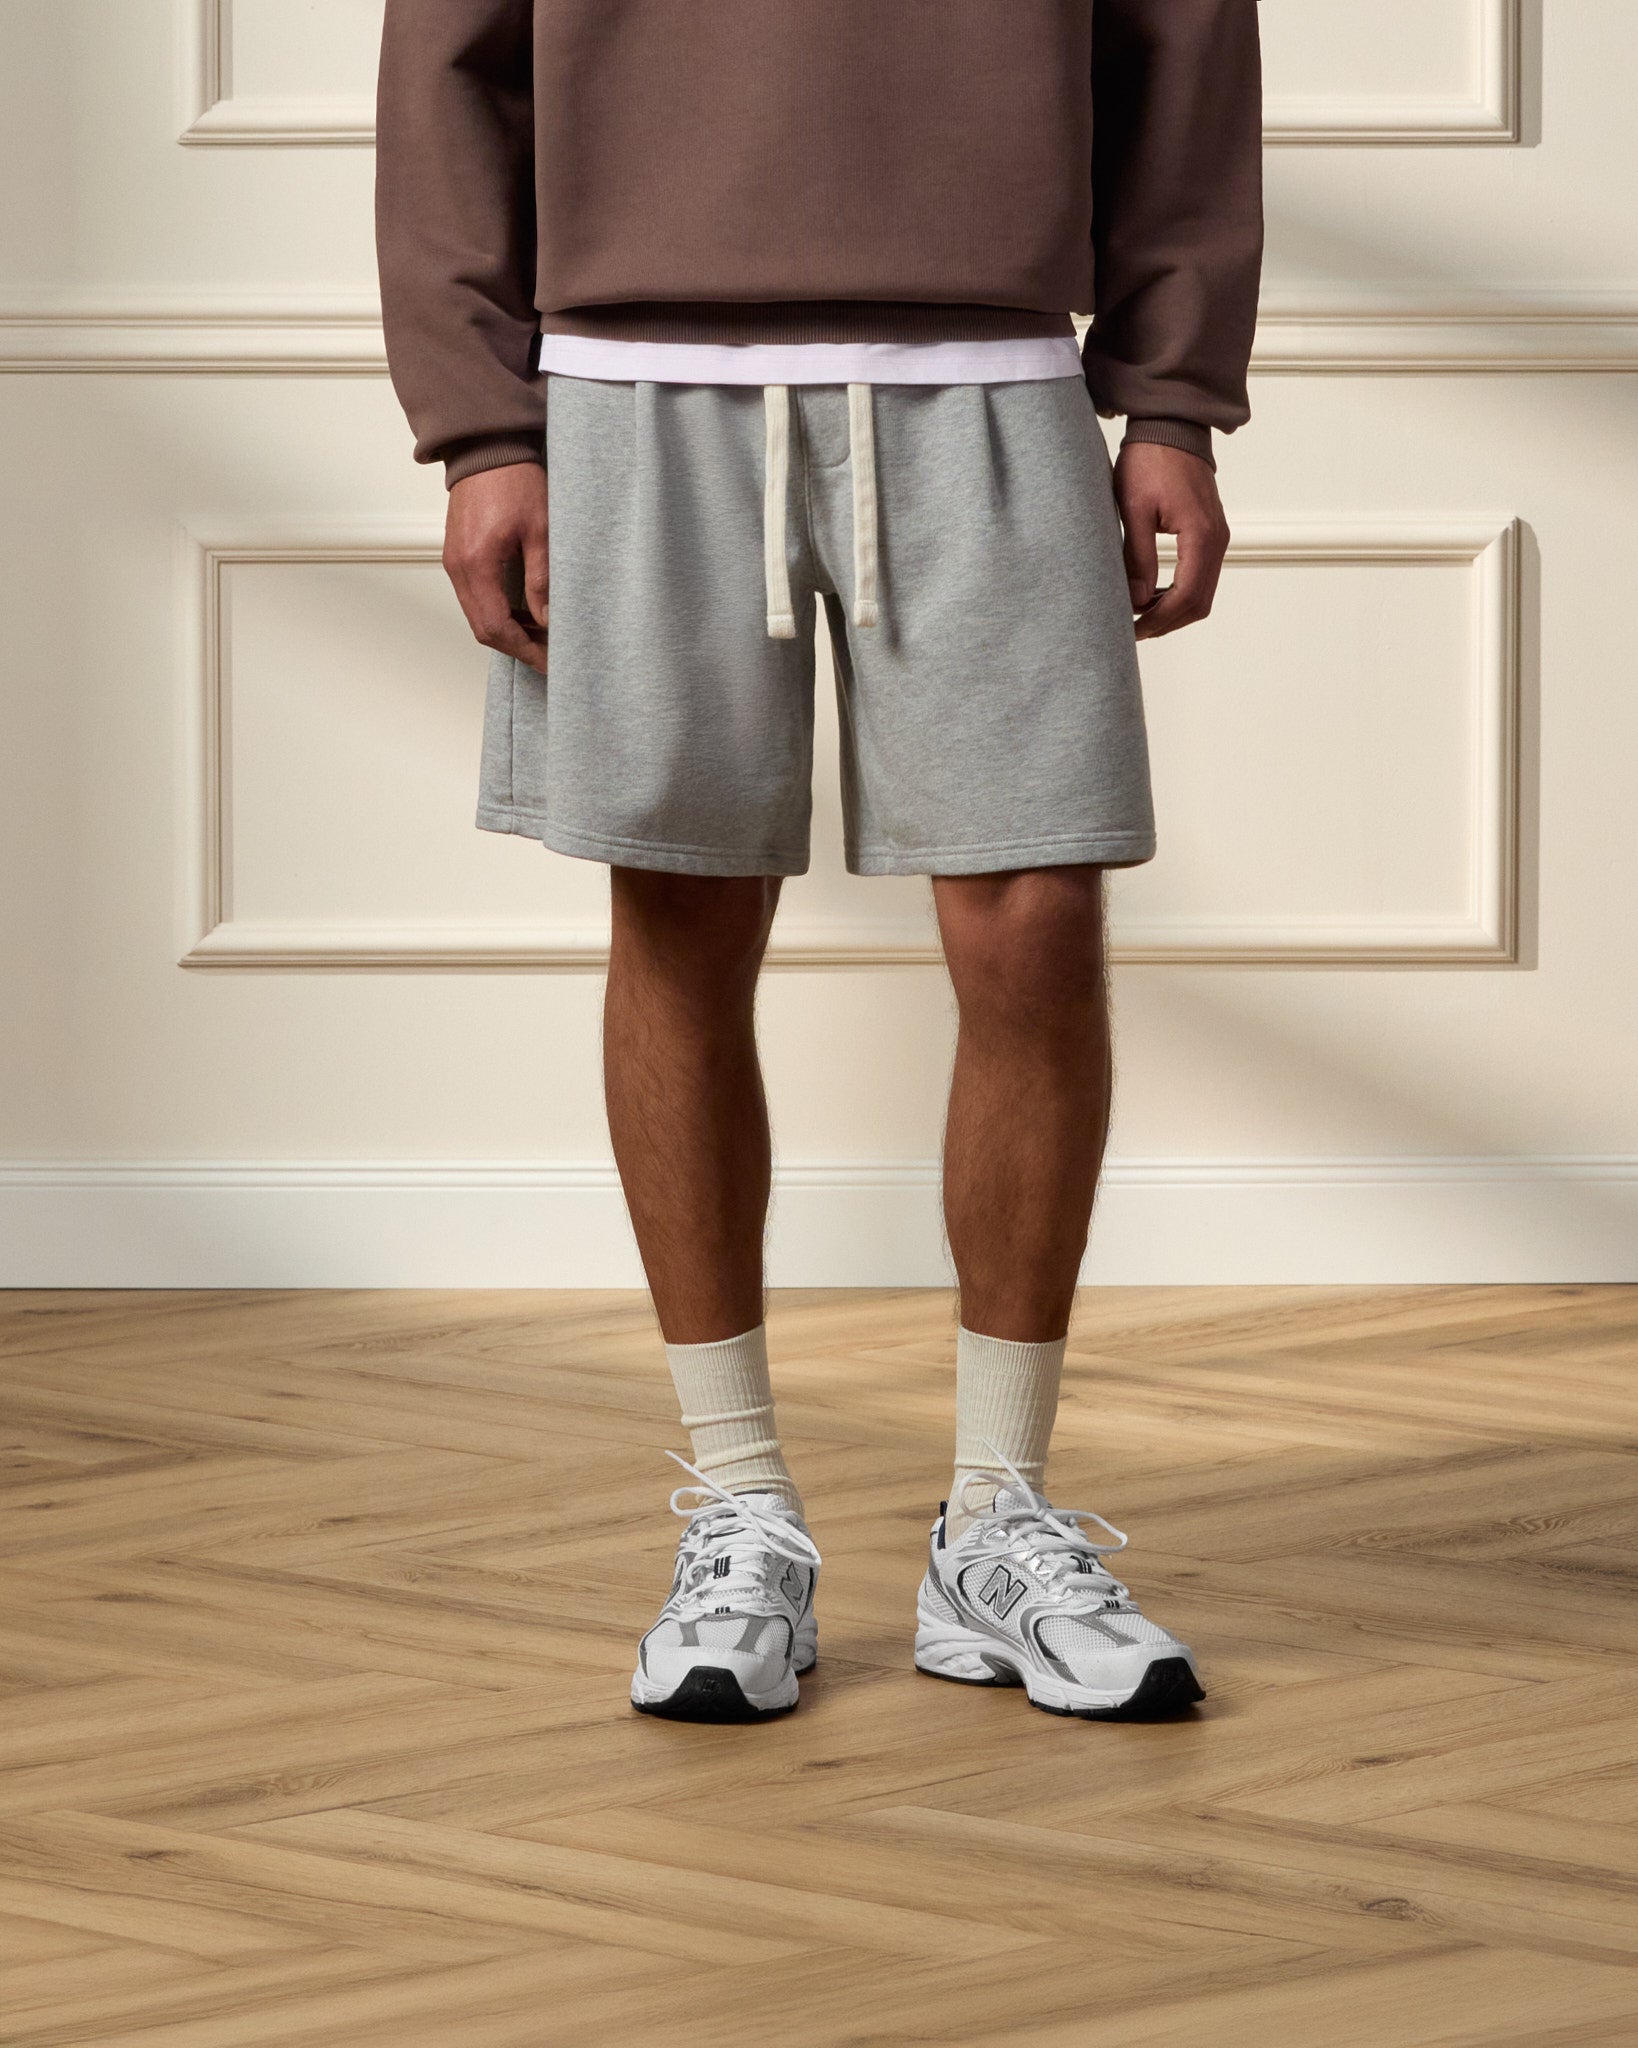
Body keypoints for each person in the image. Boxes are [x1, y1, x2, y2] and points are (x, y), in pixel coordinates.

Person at [375, 1, 1263, 1724]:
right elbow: (447, 78)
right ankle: (737, 1510)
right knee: (680, 915)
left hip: (994, 372)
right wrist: (483, 429)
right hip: (630, 386)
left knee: (1033, 919)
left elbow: (1183, 49)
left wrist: (1170, 399)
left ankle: (996, 1521)